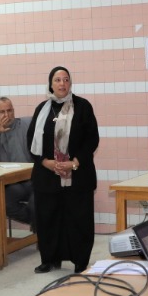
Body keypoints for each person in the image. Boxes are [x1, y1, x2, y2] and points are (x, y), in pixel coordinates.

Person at [28, 67, 99, 274]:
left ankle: (80, 261)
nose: (62, 83)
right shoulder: (42, 109)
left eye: (66, 79)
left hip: (77, 175)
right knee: (48, 218)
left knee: (78, 219)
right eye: (57, 80)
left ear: (70, 83)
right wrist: (45, 162)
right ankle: (49, 259)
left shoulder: (83, 106)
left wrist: (74, 162)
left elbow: (91, 139)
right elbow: (31, 140)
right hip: (47, 175)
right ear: (51, 84)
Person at [0, 96, 34, 226]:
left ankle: (39, 223)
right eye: (2, 112)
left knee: (38, 203)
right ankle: (37, 222)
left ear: (14, 110)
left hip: (33, 179)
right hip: (14, 183)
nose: (7, 115)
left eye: (10, 110)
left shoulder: (28, 124)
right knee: (3, 203)